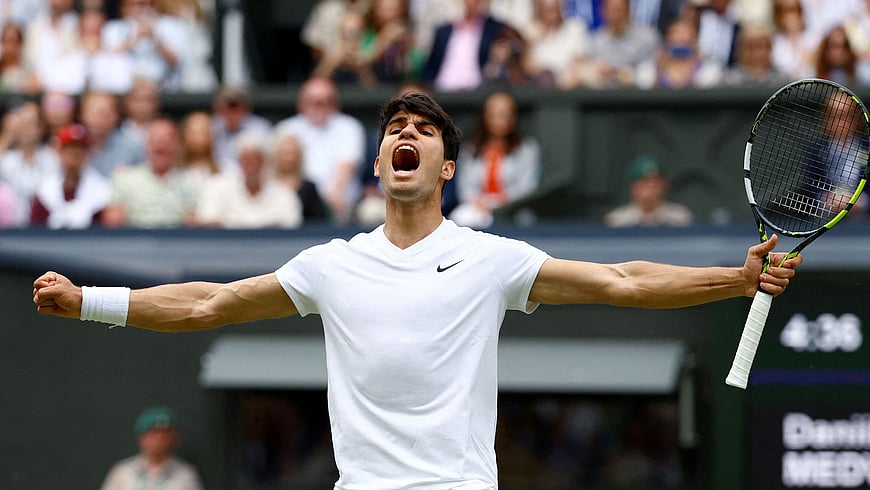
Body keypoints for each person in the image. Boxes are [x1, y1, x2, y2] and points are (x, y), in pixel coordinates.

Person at [33, 91, 802, 490]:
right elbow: (205, 303)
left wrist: (733, 281)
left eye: (424, 130)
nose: (405, 133)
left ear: (444, 168)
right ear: (378, 164)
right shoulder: (330, 266)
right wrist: (88, 301)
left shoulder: (490, 259)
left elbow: (625, 281)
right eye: (394, 127)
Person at [274, 76, 366, 224]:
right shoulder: (286, 128)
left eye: (325, 101)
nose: (318, 106)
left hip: (338, 204)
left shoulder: (349, 127)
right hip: (295, 199)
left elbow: (346, 169)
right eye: (313, 101)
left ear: (335, 104)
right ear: (301, 104)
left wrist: (329, 204)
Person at [449, 91, 541, 228]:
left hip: (512, 209)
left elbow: (527, 187)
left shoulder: (527, 149)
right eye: (495, 114)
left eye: (505, 114)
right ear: (485, 116)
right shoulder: (470, 150)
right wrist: (480, 203)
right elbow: (465, 188)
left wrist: (501, 202)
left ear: (513, 117)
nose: (500, 120)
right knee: (459, 219)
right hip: (478, 208)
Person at [101, 117, 198, 228]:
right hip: (135, 239)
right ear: (146, 145)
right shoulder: (125, 178)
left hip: (178, 241)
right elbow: (113, 221)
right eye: (156, 139)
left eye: (167, 139)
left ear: (177, 145)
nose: (161, 144)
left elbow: (195, 223)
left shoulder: (191, 181)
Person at [195, 130, 302, 229]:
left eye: (255, 160)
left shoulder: (285, 194)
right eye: (245, 160)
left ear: (264, 162)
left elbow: (291, 226)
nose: (251, 166)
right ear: (238, 162)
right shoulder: (217, 187)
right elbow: (208, 221)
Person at [560, 0, 660, 89]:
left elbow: (650, 74)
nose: (617, 15)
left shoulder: (647, 37)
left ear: (629, 10)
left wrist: (616, 72)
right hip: (603, 97)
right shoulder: (595, 40)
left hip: (639, 97)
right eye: (612, 10)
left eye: (620, 9)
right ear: (603, 11)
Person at [421, 0, 513, 92]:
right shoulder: (443, 31)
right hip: (442, 90)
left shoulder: (495, 29)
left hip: (478, 92)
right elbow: (431, 65)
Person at [100, 405, 204, 490]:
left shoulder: (186, 474)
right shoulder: (122, 472)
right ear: (141, 438)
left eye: (165, 434)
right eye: (153, 433)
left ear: (174, 438)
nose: (160, 439)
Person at [30, 122, 110, 229]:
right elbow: (34, 231)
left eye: (80, 149)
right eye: (69, 149)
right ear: (59, 152)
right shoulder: (45, 189)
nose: (74, 154)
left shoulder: (102, 189)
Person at [0, 101, 59, 227]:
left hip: (45, 228)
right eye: (22, 123)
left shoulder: (52, 158)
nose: (26, 128)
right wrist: (8, 134)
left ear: (42, 128)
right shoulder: (7, 159)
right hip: (9, 230)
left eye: (32, 123)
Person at [604, 154, 694, 227]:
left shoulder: (680, 217)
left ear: (664, 184)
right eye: (644, 181)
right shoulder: (617, 219)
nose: (651, 186)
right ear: (633, 186)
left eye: (655, 181)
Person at [210, 84, 272, 175]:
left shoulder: (260, 129)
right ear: (217, 108)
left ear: (246, 108)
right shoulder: (211, 127)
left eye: (235, 105)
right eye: (226, 105)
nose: (230, 111)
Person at [271, 132, 329, 223]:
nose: (288, 159)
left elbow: (318, 223)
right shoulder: (265, 185)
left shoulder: (309, 187)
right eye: (284, 153)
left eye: (292, 154)